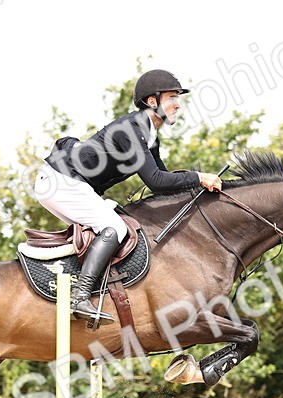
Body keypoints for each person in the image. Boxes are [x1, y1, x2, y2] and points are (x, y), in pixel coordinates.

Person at [33, 69, 224, 324]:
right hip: (61, 182)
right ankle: (79, 297)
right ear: (152, 101)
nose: (178, 104)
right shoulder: (131, 130)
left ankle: (82, 287)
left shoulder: (149, 135)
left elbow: (162, 183)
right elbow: (154, 180)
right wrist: (198, 177)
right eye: (171, 98)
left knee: (111, 224)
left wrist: (199, 188)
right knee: (113, 227)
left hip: (67, 183)